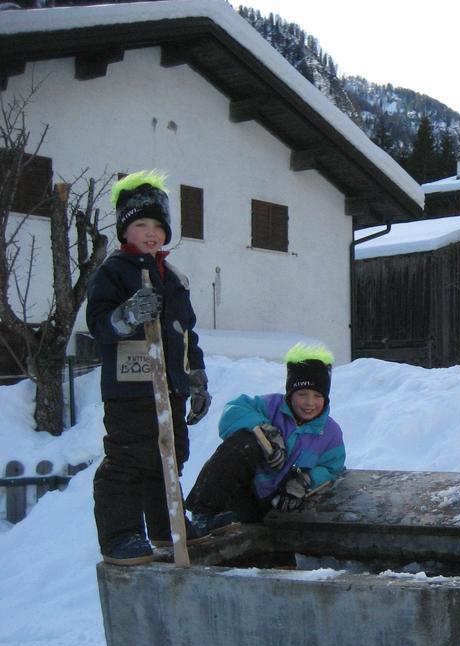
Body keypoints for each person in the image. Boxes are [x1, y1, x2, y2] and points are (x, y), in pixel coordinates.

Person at [86, 170, 211, 565]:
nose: (151, 232)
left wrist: (196, 382)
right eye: (141, 224)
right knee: (129, 458)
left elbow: (185, 335)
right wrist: (128, 314)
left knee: (170, 455)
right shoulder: (113, 271)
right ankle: (120, 536)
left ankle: (167, 526)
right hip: (129, 388)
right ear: (125, 228)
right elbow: (100, 326)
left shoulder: (173, 277)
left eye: (158, 225)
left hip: (168, 386)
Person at [185, 343, 345, 532]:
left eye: (317, 396)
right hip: (245, 491)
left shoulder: (330, 433)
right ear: (290, 394)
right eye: (302, 394)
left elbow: (332, 468)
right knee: (244, 442)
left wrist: (305, 481)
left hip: (277, 503)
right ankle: (204, 515)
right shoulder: (269, 407)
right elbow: (231, 413)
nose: (310, 403)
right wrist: (263, 430)